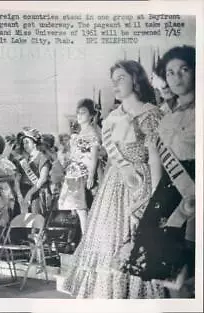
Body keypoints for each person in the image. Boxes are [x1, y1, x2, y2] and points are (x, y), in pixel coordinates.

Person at [61, 60, 164, 298]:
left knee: (137, 240)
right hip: (113, 186)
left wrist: (155, 198)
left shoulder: (150, 113)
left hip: (141, 183)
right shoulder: (111, 118)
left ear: (135, 80)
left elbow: (155, 160)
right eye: (113, 80)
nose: (115, 84)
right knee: (107, 242)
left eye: (121, 79)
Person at [122, 46, 196, 298]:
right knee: (170, 274)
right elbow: (160, 163)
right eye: (170, 72)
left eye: (184, 70)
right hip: (170, 194)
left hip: (194, 192)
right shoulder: (164, 118)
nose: (176, 77)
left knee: (191, 271)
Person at [58, 99, 101, 235]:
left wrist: (91, 175)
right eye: (78, 113)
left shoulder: (92, 134)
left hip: (83, 173)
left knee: (82, 209)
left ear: (91, 115)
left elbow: (94, 157)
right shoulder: (77, 135)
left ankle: (86, 239)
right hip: (73, 173)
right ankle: (82, 238)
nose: (79, 116)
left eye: (83, 113)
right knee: (76, 209)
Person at [14, 127, 52, 216]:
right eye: (23, 143)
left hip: (36, 194)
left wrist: (29, 195)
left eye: (27, 142)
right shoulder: (23, 160)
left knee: (35, 222)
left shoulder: (43, 158)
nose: (25, 145)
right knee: (23, 224)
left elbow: (42, 179)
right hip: (22, 193)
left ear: (34, 143)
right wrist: (19, 194)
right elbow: (17, 179)